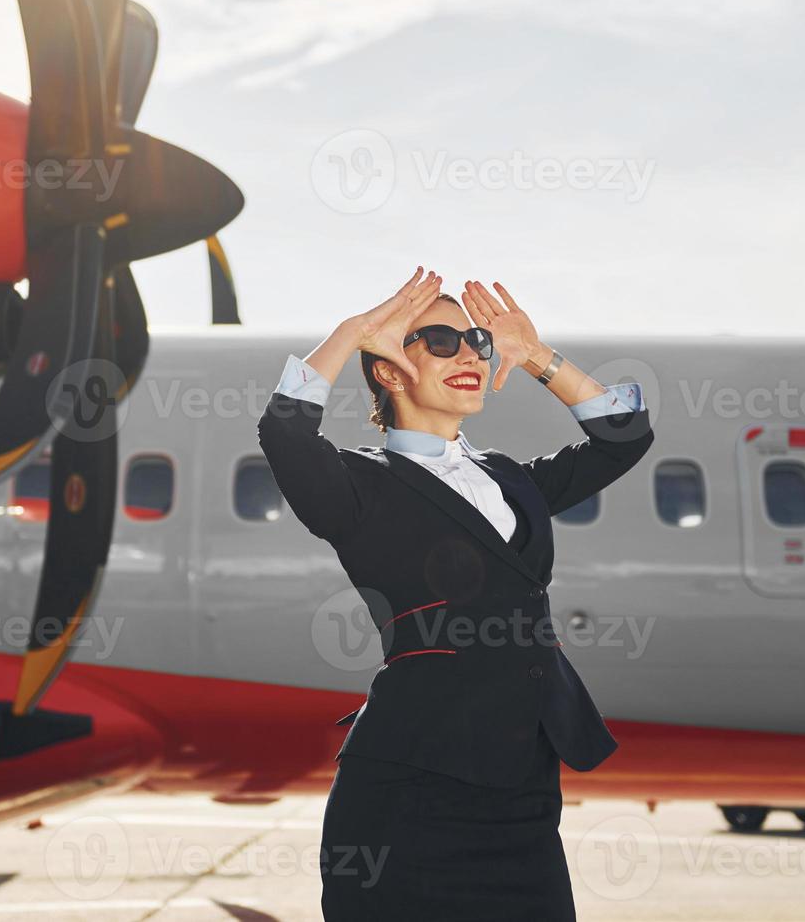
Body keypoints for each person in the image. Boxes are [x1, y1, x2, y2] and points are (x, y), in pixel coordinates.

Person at [255, 267, 654, 921]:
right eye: (440, 341)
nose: (469, 352)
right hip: (410, 796)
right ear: (388, 368)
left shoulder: (510, 480)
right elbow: (285, 433)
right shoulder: (360, 487)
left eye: (476, 341)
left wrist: (536, 357)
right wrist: (352, 333)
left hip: (522, 792)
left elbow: (625, 437)